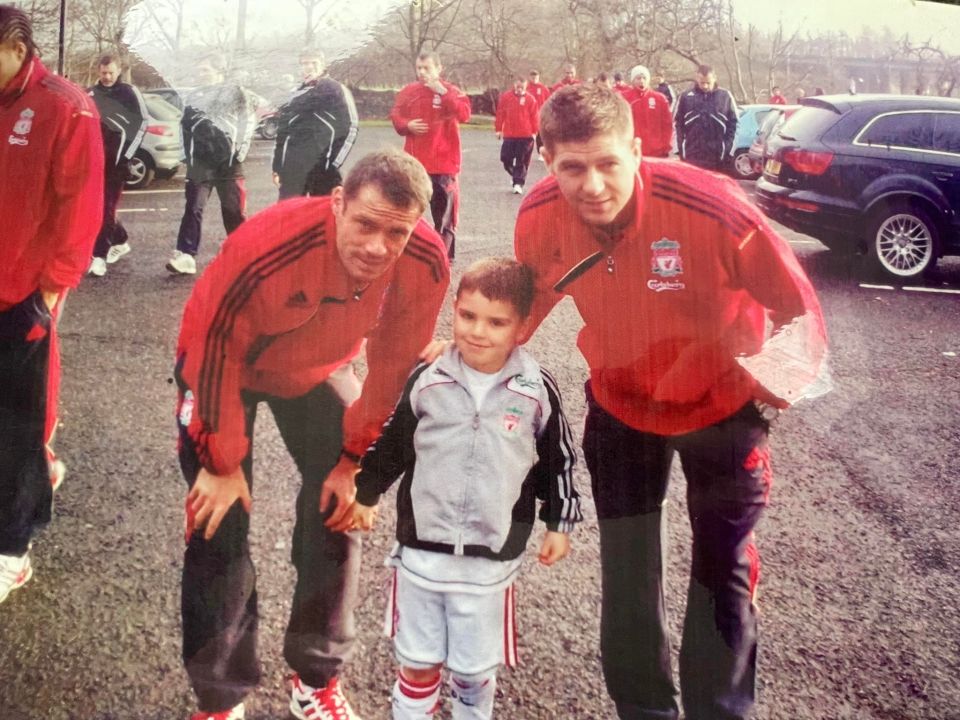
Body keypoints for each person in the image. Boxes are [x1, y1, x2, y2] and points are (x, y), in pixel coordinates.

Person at [514, 83, 830, 720]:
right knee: (628, 571)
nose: (593, 185)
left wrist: (767, 395)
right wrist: (469, 356)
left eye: (608, 163)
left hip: (723, 407)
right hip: (622, 405)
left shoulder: (713, 205)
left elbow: (803, 312)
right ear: (547, 162)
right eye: (571, 167)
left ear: (636, 149)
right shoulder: (540, 214)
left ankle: (720, 710)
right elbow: (527, 300)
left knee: (722, 571)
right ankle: (644, 708)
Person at [174, 149, 449, 720]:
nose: (377, 247)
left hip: (317, 368)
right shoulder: (272, 243)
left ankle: (316, 679)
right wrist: (221, 462)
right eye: (365, 224)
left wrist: (354, 461)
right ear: (337, 203)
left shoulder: (424, 259)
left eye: (395, 232)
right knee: (217, 526)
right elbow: (212, 347)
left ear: (417, 224)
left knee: (339, 510)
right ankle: (220, 700)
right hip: (225, 366)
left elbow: (394, 365)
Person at [347, 257, 582, 720]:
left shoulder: (536, 388)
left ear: (522, 326)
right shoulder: (428, 379)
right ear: (453, 310)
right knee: (417, 666)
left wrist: (559, 521)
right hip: (421, 554)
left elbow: (559, 459)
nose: (478, 331)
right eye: (468, 316)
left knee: (474, 672)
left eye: (497, 322)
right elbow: (394, 443)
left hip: (490, 560)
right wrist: (366, 492)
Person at [0, 5, 104, 603]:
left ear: (17, 46)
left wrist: (50, 292)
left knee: (17, 423)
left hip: (24, 293)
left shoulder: (65, 105)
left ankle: (14, 547)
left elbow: (81, 208)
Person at [166, 54, 258, 276]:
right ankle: (186, 255)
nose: (201, 74)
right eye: (199, 70)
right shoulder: (194, 96)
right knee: (193, 207)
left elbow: (248, 120)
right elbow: (184, 127)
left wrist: (239, 152)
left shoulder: (235, 92)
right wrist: (185, 155)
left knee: (233, 210)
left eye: (205, 70)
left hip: (228, 162)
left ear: (219, 71)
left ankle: (243, 254)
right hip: (200, 163)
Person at [390, 50, 471, 260]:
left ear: (438, 68)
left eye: (427, 68)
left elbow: (464, 114)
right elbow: (396, 115)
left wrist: (443, 93)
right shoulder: (410, 91)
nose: (422, 72)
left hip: (444, 165)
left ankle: (443, 258)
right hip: (415, 164)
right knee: (408, 211)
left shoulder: (452, 91)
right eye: (419, 68)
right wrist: (406, 125)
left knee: (444, 216)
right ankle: (406, 254)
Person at [87, 53, 147, 277]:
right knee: (101, 208)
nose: (108, 76)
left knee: (106, 208)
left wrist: (127, 155)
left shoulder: (129, 92)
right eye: (103, 73)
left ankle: (99, 257)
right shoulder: (91, 93)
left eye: (111, 72)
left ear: (118, 70)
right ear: (98, 72)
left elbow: (142, 122)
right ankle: (120, 240)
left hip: (118, 162)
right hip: (95, 162)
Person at [272, 48, 358, 200]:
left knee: (326, 217)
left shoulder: (335, 89)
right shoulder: (294, 94)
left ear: (323, 65)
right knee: (288, 218)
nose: (309, 67)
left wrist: (332, 163)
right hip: (293, 169)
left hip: (323, 170)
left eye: (314, 62)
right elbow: (283, 133)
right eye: (305, 63)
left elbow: (351, 126)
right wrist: (278, 166)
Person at [674, 64, 738, 171]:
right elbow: (676, 124)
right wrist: (680, 148)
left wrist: (726, 148)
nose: (705, 86)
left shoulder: (725, 96)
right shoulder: (685, 97)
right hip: (691, 155)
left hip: (718, 157)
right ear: (696, 79)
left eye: (708, 83)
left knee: (715, 187)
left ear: (715, 79)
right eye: (702, 83)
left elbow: (735, 124)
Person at [495, 76, 539, 195]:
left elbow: (535, 116)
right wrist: (498, 129)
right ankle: (515, 174)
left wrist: (535, 132)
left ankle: (518, 183)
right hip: (510, 134)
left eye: (522, 87)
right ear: (514, 85)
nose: (519, 89)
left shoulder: (530, 100)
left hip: (526, 135)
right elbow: (500, 113)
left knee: (521, 160)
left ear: (525, 87)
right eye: (518, 87)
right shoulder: (506, 97)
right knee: (505, 158)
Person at [624, 64, 672, 158]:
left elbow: (667, 125)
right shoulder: (625, 98)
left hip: (656, 152)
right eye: (638, 78)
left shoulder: (659, 98)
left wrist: (665, 145)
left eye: (644, 78)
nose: (641, 81)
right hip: (633, 151)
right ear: (633, 80)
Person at [526, 69, 551, 160]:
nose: (534, 78)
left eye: (536, 77)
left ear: (538, 77)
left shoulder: (543, 88)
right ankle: (524, 152)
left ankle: (541, 153)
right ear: (529, 77)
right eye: (532, 77)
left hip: (540, 114)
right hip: (528, 115)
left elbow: (549, 100)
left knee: (540, 134)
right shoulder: (527, 88)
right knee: (527, 134)